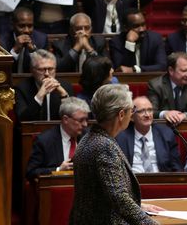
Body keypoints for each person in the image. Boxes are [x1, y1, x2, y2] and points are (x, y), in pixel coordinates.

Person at [69, 84, 163, 224]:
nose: (132, 114)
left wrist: (139, 206)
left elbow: (101, 192)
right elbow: (119, 198)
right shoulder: (104, 146)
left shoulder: (88, 138)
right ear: (121, 115)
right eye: (132, 110)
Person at [26, 97, 90, 179]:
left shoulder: (88, 137)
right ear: (65, 119)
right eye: (81, 120)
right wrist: (58, 169)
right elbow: (31, 172)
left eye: (86, 120)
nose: (85, 124)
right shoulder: (45, 141)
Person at [115, 96, 183, 173]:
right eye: (141, 111)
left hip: (160, 180)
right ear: (132, 117)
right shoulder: (121, 137)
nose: (147, 115)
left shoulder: (166, 134)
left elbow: (177, 168)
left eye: (150, 110)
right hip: (133, 182)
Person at [14, 49, 74, 121]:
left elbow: (73, 119)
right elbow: (22, 120)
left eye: (51, 69)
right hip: (33, 131)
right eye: (41, 69)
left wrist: (64, 95)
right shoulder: (21, 89)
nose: (47, 74)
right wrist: (39, 96)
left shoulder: (65, 87)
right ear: (32, 70)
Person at [146, 52, 187, 124]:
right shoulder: (156, 85)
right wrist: (164, 114)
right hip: (163, 128)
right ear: (171, 70)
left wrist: (185, 116)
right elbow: (151, 111)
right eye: (184, 70)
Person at [0, 7, 48, 74]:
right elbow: (1, 69)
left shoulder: (41, 39)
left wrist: (33, 52)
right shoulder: (2, 41)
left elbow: (44, 68)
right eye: (21, 26)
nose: (26, 30)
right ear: (13, 24)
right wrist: (14, 51)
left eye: (30, 26)